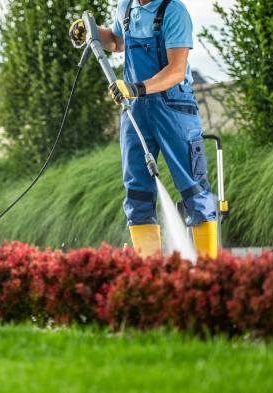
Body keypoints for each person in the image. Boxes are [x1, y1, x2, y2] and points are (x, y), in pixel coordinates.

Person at [70, 0, 218, 258]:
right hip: (136, 108)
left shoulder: (174, 11)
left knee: (194, 188)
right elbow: (116, 42)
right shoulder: (126, 6)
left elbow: (176, 70)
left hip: (174, 107)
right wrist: (91, 30)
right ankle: (147, 275)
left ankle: (210, 270)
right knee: (137, 192)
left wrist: (136, 88)